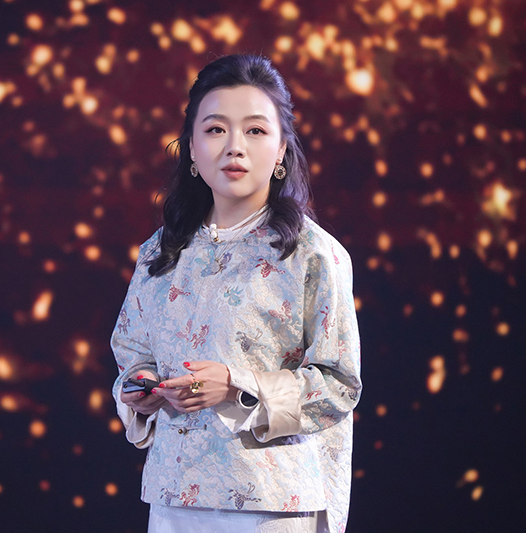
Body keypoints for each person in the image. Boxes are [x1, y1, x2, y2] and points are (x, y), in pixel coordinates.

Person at [111, 54, 362, 533]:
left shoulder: (312, 254)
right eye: (215, 130)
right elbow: (132, 355)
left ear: (282, 150)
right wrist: (141, 389)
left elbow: (339, 386)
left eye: (255, 130)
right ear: (191, 149)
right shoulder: (160, 252)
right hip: (173, 498)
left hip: (272, 504)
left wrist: (237, 387)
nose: (234, 147)